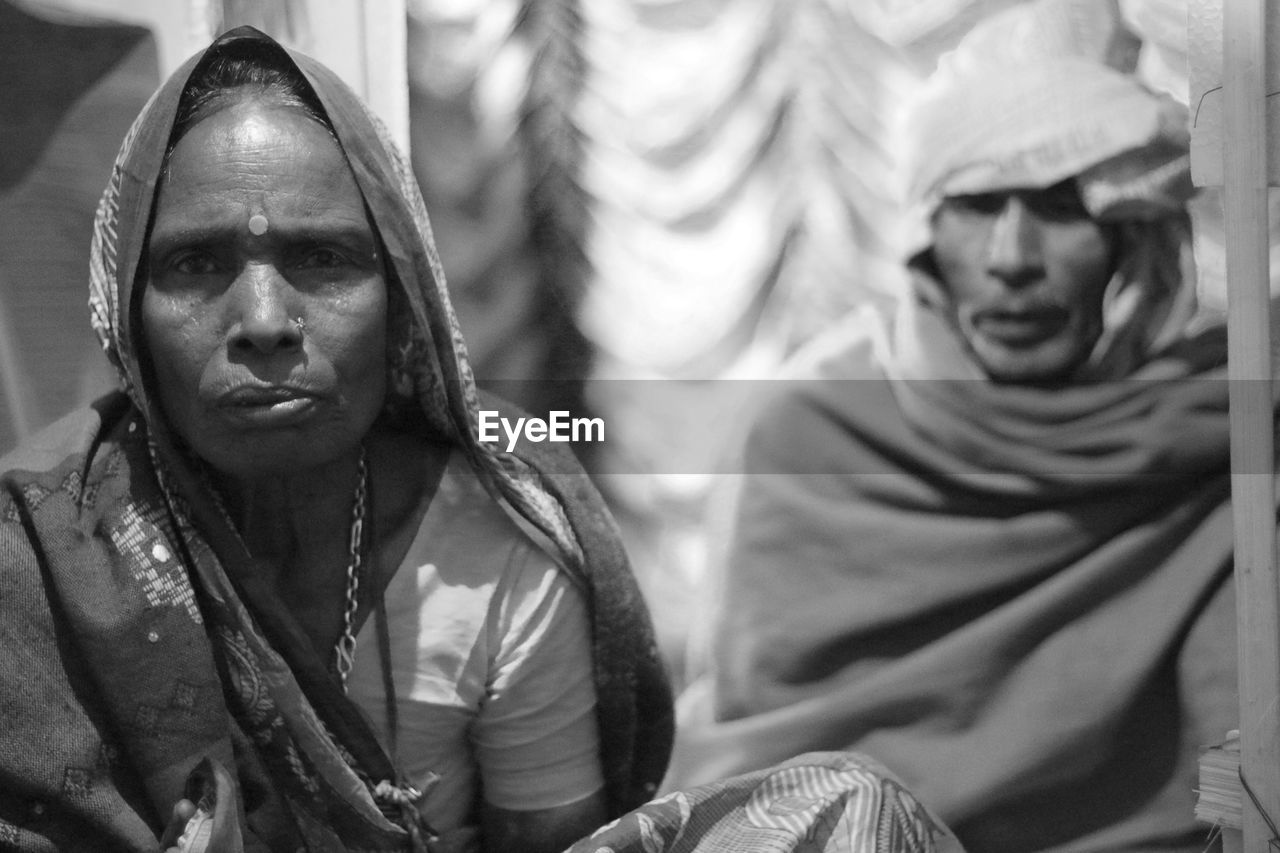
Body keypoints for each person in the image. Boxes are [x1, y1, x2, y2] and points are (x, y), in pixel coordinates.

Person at [0, 27, 674, 853]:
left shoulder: (500, 544)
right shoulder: (42, 553)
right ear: (127, 315)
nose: (263, 322)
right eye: (196, 264)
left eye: (321, 257)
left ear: (403, 296)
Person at [667, 1, 1245, 851]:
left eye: (1058, 207)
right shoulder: (814, 429)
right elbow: (759, 770)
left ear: (1135, 239)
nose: (1012, 257)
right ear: (927, 233)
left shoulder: (1225, 426)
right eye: (978, 205)